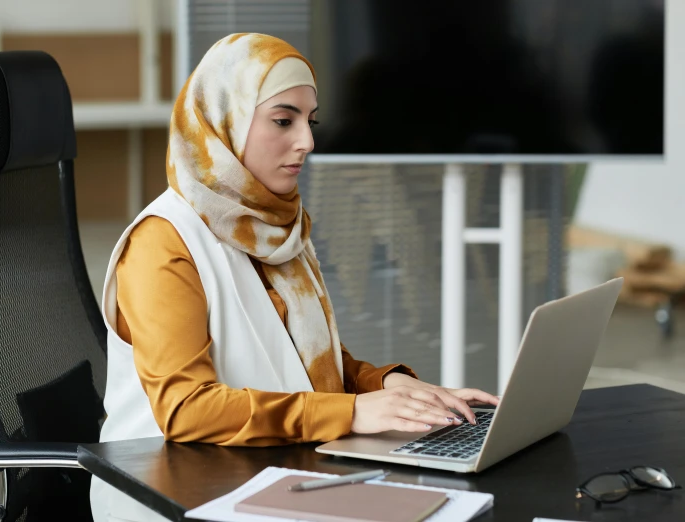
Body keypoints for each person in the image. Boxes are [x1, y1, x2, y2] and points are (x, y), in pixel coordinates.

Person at [90, 33, 499, 522]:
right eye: (283, 120)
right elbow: (185, 409)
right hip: (175, 488)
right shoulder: (164, 242)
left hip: (275, 467)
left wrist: (388, 388)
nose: (307, 141)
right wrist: (351, 412)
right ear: (225, 122)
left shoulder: (274, 226)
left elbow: (302, 362)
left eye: (310, 121)